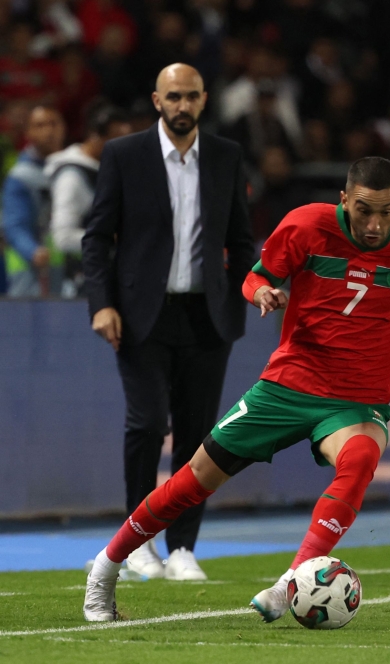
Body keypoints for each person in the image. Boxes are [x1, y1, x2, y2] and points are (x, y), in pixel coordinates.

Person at [82, 156, 390, 623]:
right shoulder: (307, 226)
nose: (374, 225)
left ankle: (290, 584)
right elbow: (256, 276)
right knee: (193, 480)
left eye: (386, 212)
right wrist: (260, 292)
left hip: (358, 399)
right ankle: (106, 568)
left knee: (360, 461)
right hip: (288, 385)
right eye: (363, 210)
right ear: (344, 199)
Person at [81, 64, 255, 582]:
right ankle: (136, 542)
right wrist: (101, 304)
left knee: (199, 436)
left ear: (204, 100)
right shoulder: (123, 154)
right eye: (173, 96)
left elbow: (240, 239)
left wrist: (251, 289)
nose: (183, 105)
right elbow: (97, 237)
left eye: (191, 96)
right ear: (157, 100)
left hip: (208, 315)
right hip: (140, 314)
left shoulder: (226, 156)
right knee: (149, 422)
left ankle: (182, 547)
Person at [46, 104, 131, 297]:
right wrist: (110, 238)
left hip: (107, 274)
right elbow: (63, 237)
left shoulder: (108, 170)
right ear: (96, 136)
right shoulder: (72, 177)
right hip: (80, 283)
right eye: (117, 140)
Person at [2, 105, 65, 297]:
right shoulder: (20, 176)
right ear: (28, 132)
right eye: (40, 125)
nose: (49, 131)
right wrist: (32, 251)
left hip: (66, 266)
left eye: (53, 124)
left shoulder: (70, 167)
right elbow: (14, 225)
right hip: (31, 270)